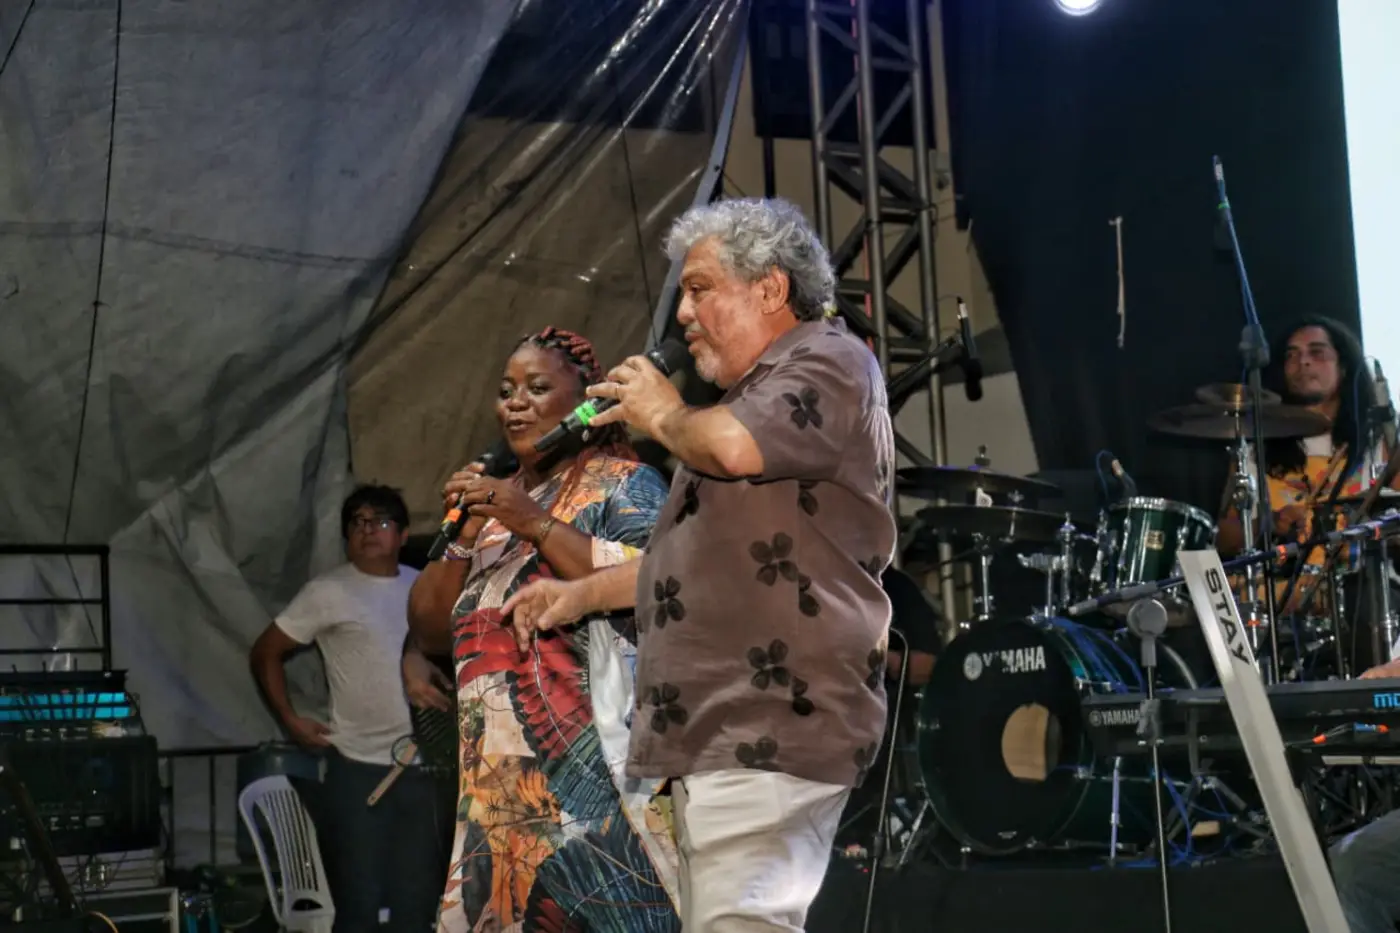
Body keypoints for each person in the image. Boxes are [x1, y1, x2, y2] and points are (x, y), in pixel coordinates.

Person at [504, 197, 897, 931]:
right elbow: (693, 563)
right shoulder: (740, 406)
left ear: (771, 288)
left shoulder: (825, 358)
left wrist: (660, 414)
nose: (682, 314)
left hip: (769, 722)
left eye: (700, 288)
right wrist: (580, 595)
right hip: (723, 730)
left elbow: (732, 448)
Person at [404, 327, 678, 933]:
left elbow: (662, 584)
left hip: (596, 791)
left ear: (584, 401)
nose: (516, 404)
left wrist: (534, 523)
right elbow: (429, 632)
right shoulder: (493, 508)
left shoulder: (624, 484)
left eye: (536, 388)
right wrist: (464, 534)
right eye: (506, 391)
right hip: (496, 801)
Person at [250, 485, 451, 933]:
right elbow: (265, 652)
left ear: (402, 535)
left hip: (425, 771)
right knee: (358, 905)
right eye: (357, 522)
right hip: (357, 770)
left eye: (380, 522)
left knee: (417, 906)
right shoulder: (328, 591)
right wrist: (290, 720)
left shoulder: (425, 588)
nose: (367, 530)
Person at [1214, 317, 1399, 627]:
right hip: (1277, 602)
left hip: (1362, 602)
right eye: (1292, 355)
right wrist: (1268, 523)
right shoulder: (1257, 449)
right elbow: (1223, 538)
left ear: (1343, 366)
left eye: (1317, 352)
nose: (1303, 362)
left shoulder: (1379, 442)